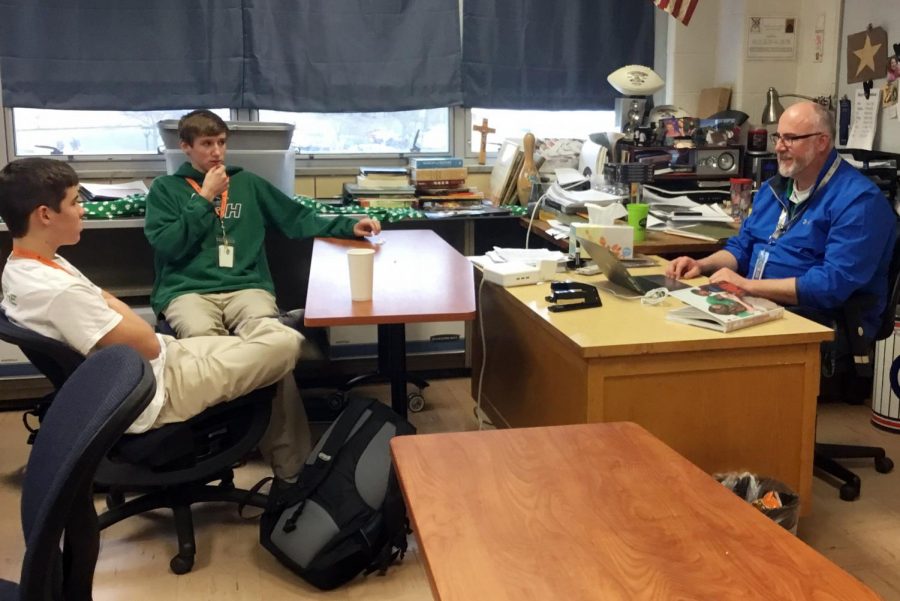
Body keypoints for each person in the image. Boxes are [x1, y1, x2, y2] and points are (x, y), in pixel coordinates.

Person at [0, 158, 308, 483]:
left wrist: (113, 308)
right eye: (75, 202)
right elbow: (144, 340)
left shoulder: (25, 268)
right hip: (155, 390)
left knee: (267, 356)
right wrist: (118, 311)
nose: (82, 210)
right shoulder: (57, 291)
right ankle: (294, 477)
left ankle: (291, 470)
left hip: (156, 362)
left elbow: (107, 302)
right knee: (287, 346)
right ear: (44, 215)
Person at [667, 101, 896, 337]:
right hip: (756, 306)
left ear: (821, 142)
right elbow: (742, 247)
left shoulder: (859, 201)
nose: (778, 147)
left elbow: (830, 286)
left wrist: (745, 285)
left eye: (790, 139)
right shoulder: (773, 188)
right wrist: (702, 264)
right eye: (778, 137)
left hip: (818, 323)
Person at [144, 109, 381, 337]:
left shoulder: (247, 183)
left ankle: (274, 330)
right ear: (185, 147)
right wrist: (205, 198)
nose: (217, 151)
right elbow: (168, 245)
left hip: (246, 287)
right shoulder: (165, 189)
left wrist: (349, 226)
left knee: (274, 337)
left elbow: (297, 217)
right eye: (207, 143)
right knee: (202, 336)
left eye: (222, 142)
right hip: (188, 291)